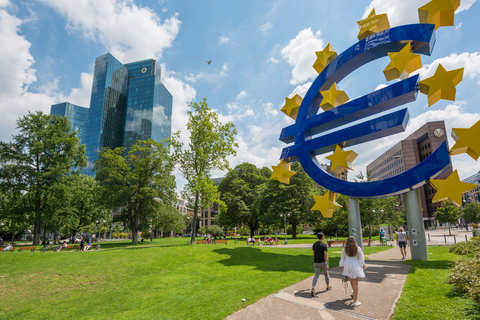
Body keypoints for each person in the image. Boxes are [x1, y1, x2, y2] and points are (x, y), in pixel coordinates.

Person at [339, 236, 366, 307]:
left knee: (351, 279)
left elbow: (342, 259)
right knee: (355, 283)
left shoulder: (344, 249)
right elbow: (361, 258)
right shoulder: (358, 248)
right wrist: (362, 266)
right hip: (355, 264)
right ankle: (355, 301)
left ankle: (353, 292)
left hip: (347, 265)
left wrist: (343, 267)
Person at [311, 232, 331, 297]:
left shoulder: (314, 245)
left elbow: (313, 254)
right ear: (322, 237)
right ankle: (328, 287)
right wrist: (327, 264)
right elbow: (326, 255)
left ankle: (313, 288)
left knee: (316, 275)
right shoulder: (324, 245)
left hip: (316, 262)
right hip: (322, 262)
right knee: (326, 274)